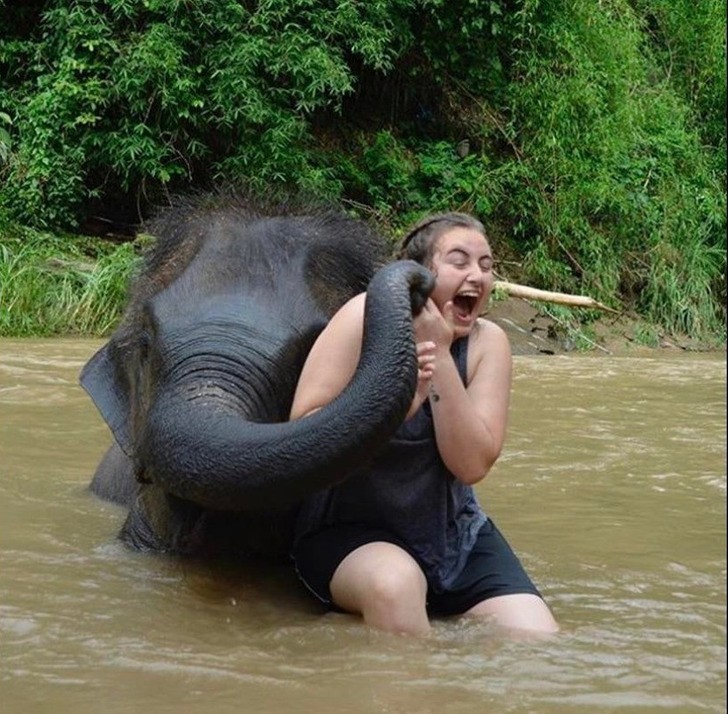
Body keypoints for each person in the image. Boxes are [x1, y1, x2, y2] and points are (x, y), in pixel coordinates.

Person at [289, 212, 558, 636]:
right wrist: (394, 406)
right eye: (460, 261)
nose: (478, 275)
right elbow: (303, 434)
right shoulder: (361, 317)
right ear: (419, 274)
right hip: (349, 531)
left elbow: (471, 465)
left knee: (537, 637)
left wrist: (439, 354)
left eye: (487, 266)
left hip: (453, 537)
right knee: (396, 586)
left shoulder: (489, 343)